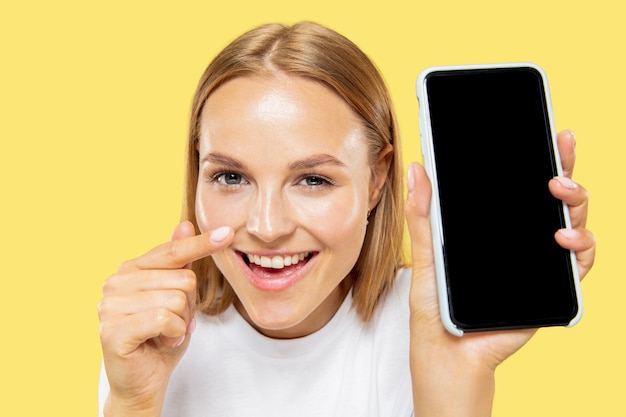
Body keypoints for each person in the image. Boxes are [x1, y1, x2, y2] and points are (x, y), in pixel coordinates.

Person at [97, 21, 596, 417]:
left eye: (313, 180)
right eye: (230, 177)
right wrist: (133, 404)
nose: (267, 227)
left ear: (377, 180)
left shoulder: (429, 323)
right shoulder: (152, 336)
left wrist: (456, 379)